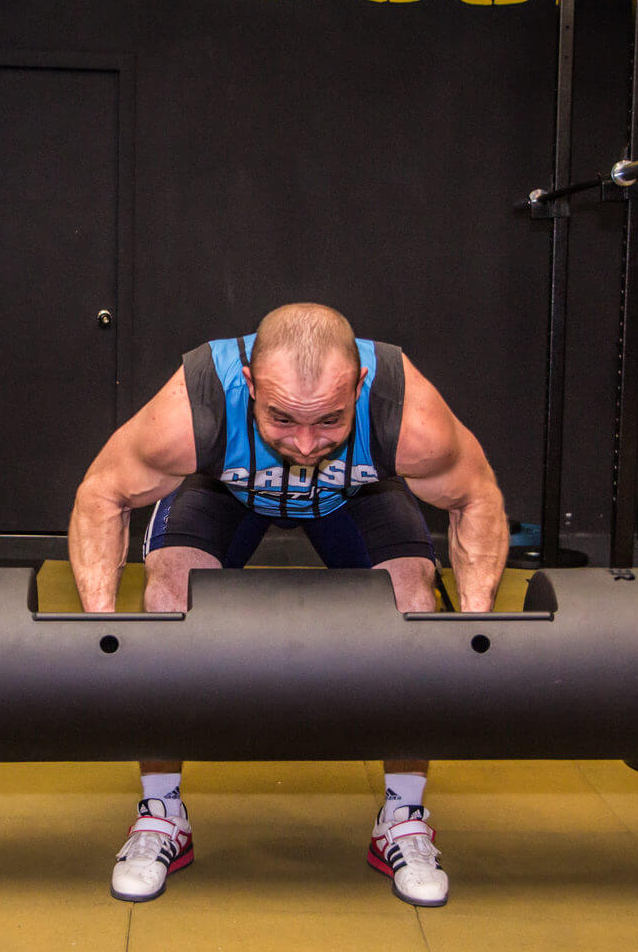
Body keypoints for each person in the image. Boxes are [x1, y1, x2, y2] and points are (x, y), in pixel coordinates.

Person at [68, 302, 507, 907]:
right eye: (280, 419)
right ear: (249, 383)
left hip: (354, 496)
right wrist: (102, 636)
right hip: (226, 492)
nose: (304, 444)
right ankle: (160, 812)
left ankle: (403, 817)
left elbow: (476, 496)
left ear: (359, 384)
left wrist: (475, 634)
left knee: (415, 601)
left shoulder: (408, 414)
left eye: (329, 420)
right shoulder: (196, 404)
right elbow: (103, 492)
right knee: (167, 592)